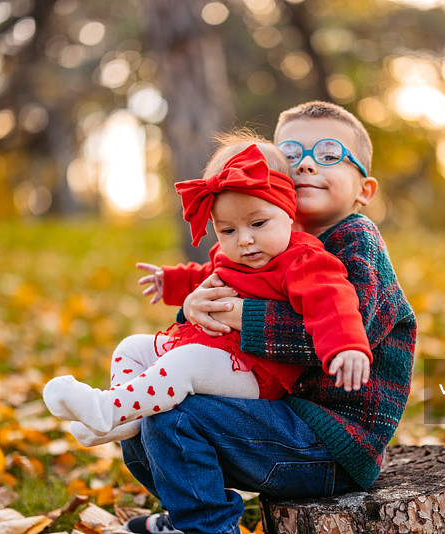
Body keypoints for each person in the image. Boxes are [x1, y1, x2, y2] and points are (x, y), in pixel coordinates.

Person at [118, 101, 417, 534]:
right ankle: (191, 513)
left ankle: (207, 527)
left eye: (329, 154)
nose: (306, 165)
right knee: (142, 409)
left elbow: (340, 333)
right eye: (291, 154)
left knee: (175, 416)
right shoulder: (267, 240)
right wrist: (193, 305)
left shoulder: (356, 240)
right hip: (276, 415)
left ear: (364, 190)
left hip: (332, 441)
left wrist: (235, 313)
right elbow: (218, 282)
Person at [42, 137, 373, 444]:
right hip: (212, 353)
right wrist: (170, 282)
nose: (245, 240)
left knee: (185, 363)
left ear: (289, 212)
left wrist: (347, 346)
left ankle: (106, 410)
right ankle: (126, 416)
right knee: (132, 348)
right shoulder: (230, 256)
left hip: (256, 373)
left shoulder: (302, 259)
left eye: (258, 224)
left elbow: (333, 302)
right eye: (228, 230)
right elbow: (205, 277)